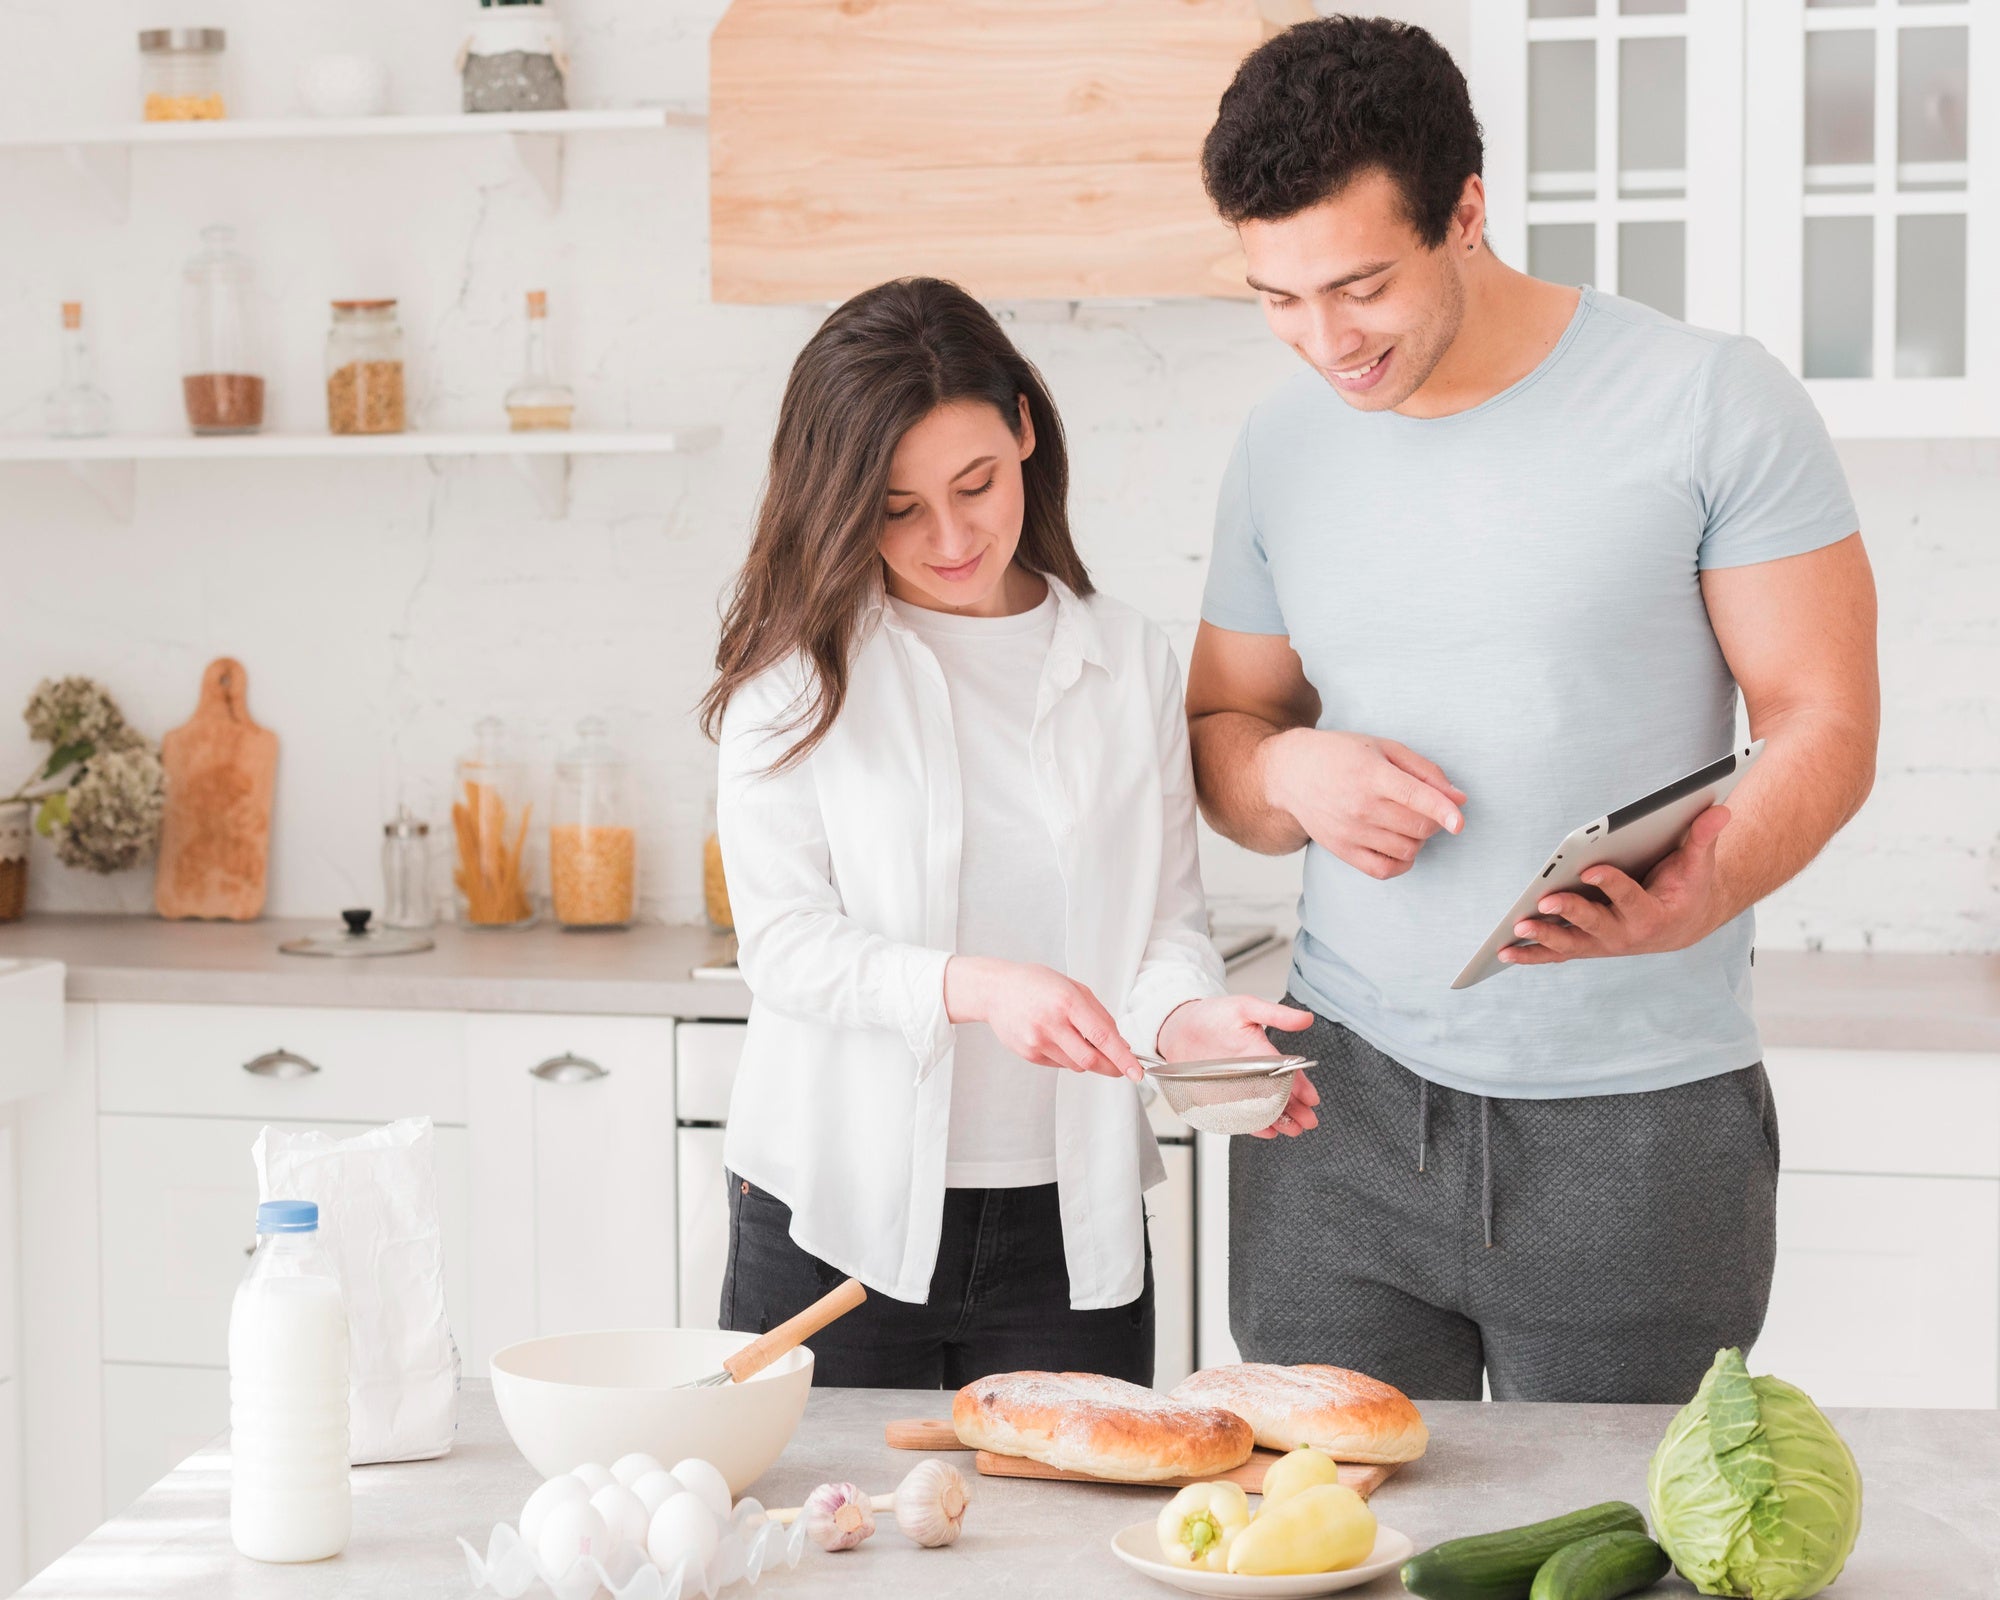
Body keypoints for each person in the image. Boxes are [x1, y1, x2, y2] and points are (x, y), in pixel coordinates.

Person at [1186, 18, 1879, 1403]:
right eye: (1277, 296)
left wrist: (1700, 888)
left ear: (1466, 213)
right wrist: (1296, 775)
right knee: (1332, 1541)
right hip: (1338, 1108)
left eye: (1360, 284)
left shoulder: (1705, 402)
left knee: (1614, 1552)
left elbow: (1827, 720)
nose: (1323, 340)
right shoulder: (1281, 444)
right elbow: (1226, 728)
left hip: (1641, 1125)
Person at [700, 277, 1315, 1388]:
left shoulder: (1124, 658)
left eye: (975, 484)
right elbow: (784, 945)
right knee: (832, 1549)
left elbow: (1164, 924)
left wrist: (1183, 1019)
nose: (948, 536)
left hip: (1064, 1226)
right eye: (896, 507)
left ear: (1026, 431)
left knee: (1074, 1553)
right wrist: (978, 986)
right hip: (832, 1217)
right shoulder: (796, 674)